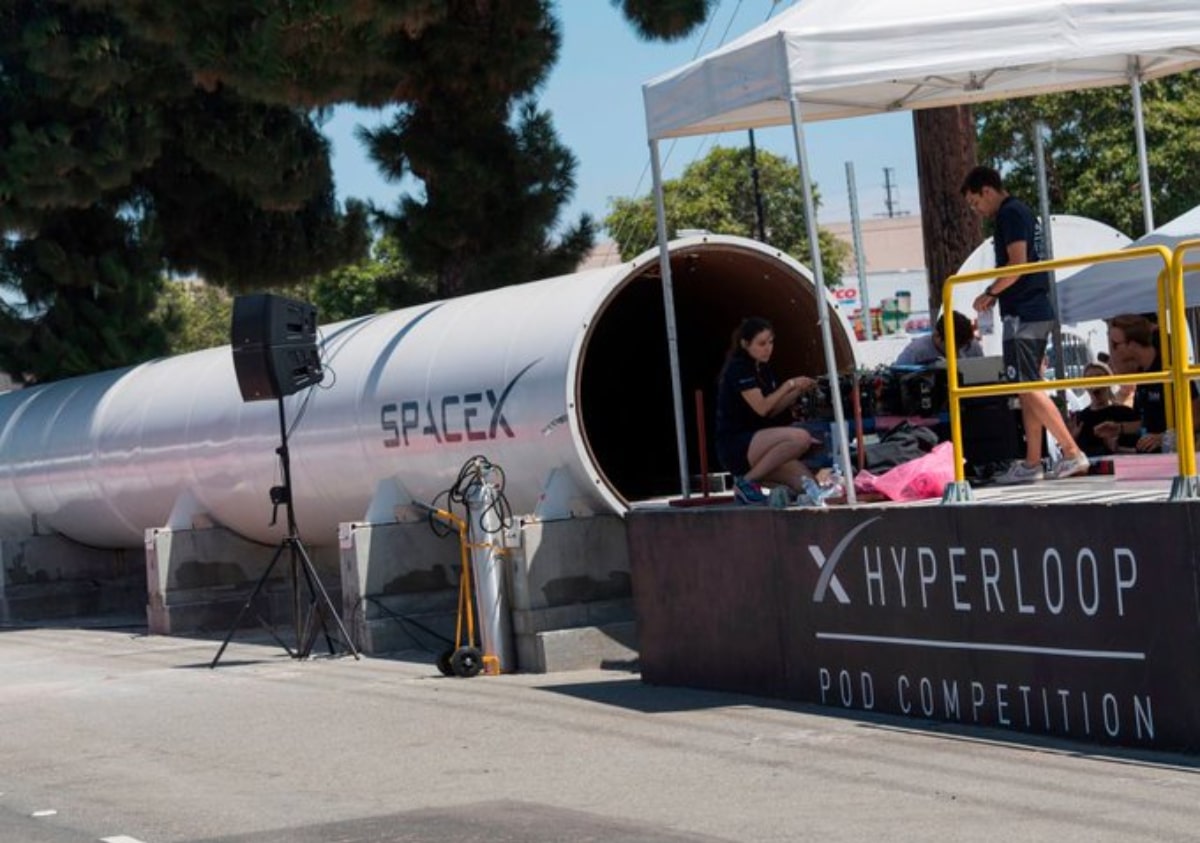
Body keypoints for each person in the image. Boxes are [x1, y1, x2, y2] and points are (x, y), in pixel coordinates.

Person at [962, 165, 1089, 483]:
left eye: (975, 203)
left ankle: (1071, 452)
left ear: (987, 191)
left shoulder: (1010, 214)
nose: (977, 211)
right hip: (1030, 310)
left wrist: (989, 292)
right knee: (1027, 384)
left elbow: (1018, 264)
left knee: (1028, 384)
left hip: (1024, 312)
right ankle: (1033, 462)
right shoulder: (1019, 212)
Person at [715, 316, 819, 504]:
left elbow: (772, 409)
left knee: (808, 485)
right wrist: (789, 384)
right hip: (737, 444)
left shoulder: (763, 369)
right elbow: (762, 407)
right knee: (800, 438)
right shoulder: (739, 368)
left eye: (770, 342)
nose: (768, 348)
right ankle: (746, 482)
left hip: (759, 444)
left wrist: (797, 392)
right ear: (745, 344)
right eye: (761, 343)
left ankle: (777, 491)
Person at [1096, 313, 1199, 451]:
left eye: (1115, 345)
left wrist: (1163, 438)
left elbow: (1196, 417)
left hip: (1176, 458)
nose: (1112, 352)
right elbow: (1148, 422)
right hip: (1155, 458)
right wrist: (1120, 428)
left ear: (1132, 345)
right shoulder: (1144, 374)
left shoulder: (1169, 370)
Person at [1068, 360, 1140, 457]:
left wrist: (1118, 449)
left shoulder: (1125, 413)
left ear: (1109, 381)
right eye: (1089, 378)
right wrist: (1071, 439)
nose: (1094, 382)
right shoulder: (1079, 419)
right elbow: (1070, 457)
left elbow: (1139, 452)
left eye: (1099, 377)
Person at [894, 311, 984, 366]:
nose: (957, 353)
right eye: (953, 347)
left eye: (962, 346)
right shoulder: (915, 353)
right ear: (937, 336)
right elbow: (896, 380)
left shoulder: (972, 346)